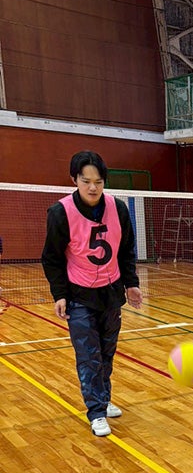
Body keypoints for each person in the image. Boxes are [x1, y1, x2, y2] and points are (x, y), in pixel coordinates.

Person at [41, 151, 142, 436]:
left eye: (98, 181)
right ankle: (96, 411)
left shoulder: (118, 208)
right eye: (86, 181)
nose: (93, 187)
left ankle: (103, 398)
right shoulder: (60, 213)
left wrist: (131, 283)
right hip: (79, 296)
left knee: (107, 353)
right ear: (74, 180)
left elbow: (125, 250)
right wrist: (59, 294)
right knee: (88, 356)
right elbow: (51, 257)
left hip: (110, 293)